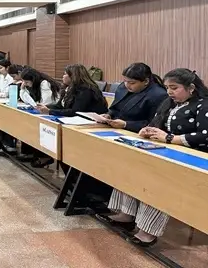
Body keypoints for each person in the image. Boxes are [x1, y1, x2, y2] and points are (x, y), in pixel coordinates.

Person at [98, 68, 208, 247]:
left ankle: (147, 230)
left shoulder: (203, 105)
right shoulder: (169, 103)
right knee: (131, 165)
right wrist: (148, 130)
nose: (169, 92)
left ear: (191, 88)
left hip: (192, 157)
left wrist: (171, 138)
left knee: (157, 179)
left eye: (174, 88)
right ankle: (126, 214)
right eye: (167, 87)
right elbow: (156, 124)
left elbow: (205, 135)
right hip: (166, 151)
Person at [102, 63, 168, 132]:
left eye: (132, 83)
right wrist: (109, 115)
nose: (127, 85)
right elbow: (115, 108)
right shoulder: (122, 87)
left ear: (146, 81)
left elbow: (153, 123)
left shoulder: (158, 95)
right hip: (115, 127)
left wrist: (126, 124)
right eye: (125, 81)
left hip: (136, 132)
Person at [17, 67, 62, 165]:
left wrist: (35, 104)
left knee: (36, 125)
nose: (26, 84)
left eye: (27, 82)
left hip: (53, 111)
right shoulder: (34, 85)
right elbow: (27, 100)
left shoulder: (44, 84)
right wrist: (22, 89)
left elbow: (45, 103)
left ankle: (44, 156)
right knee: (27, 122)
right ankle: (30, 152)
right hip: (44, 111)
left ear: (33, 79)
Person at [37, 64, 108, 117]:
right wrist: (45, 107)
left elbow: (75, 112)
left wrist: (50, 111)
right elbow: (59, 106)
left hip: (92, 121)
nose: (63, 76)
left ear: (73, 76)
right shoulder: (69, 88)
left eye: (65, 74)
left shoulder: (85, 90)